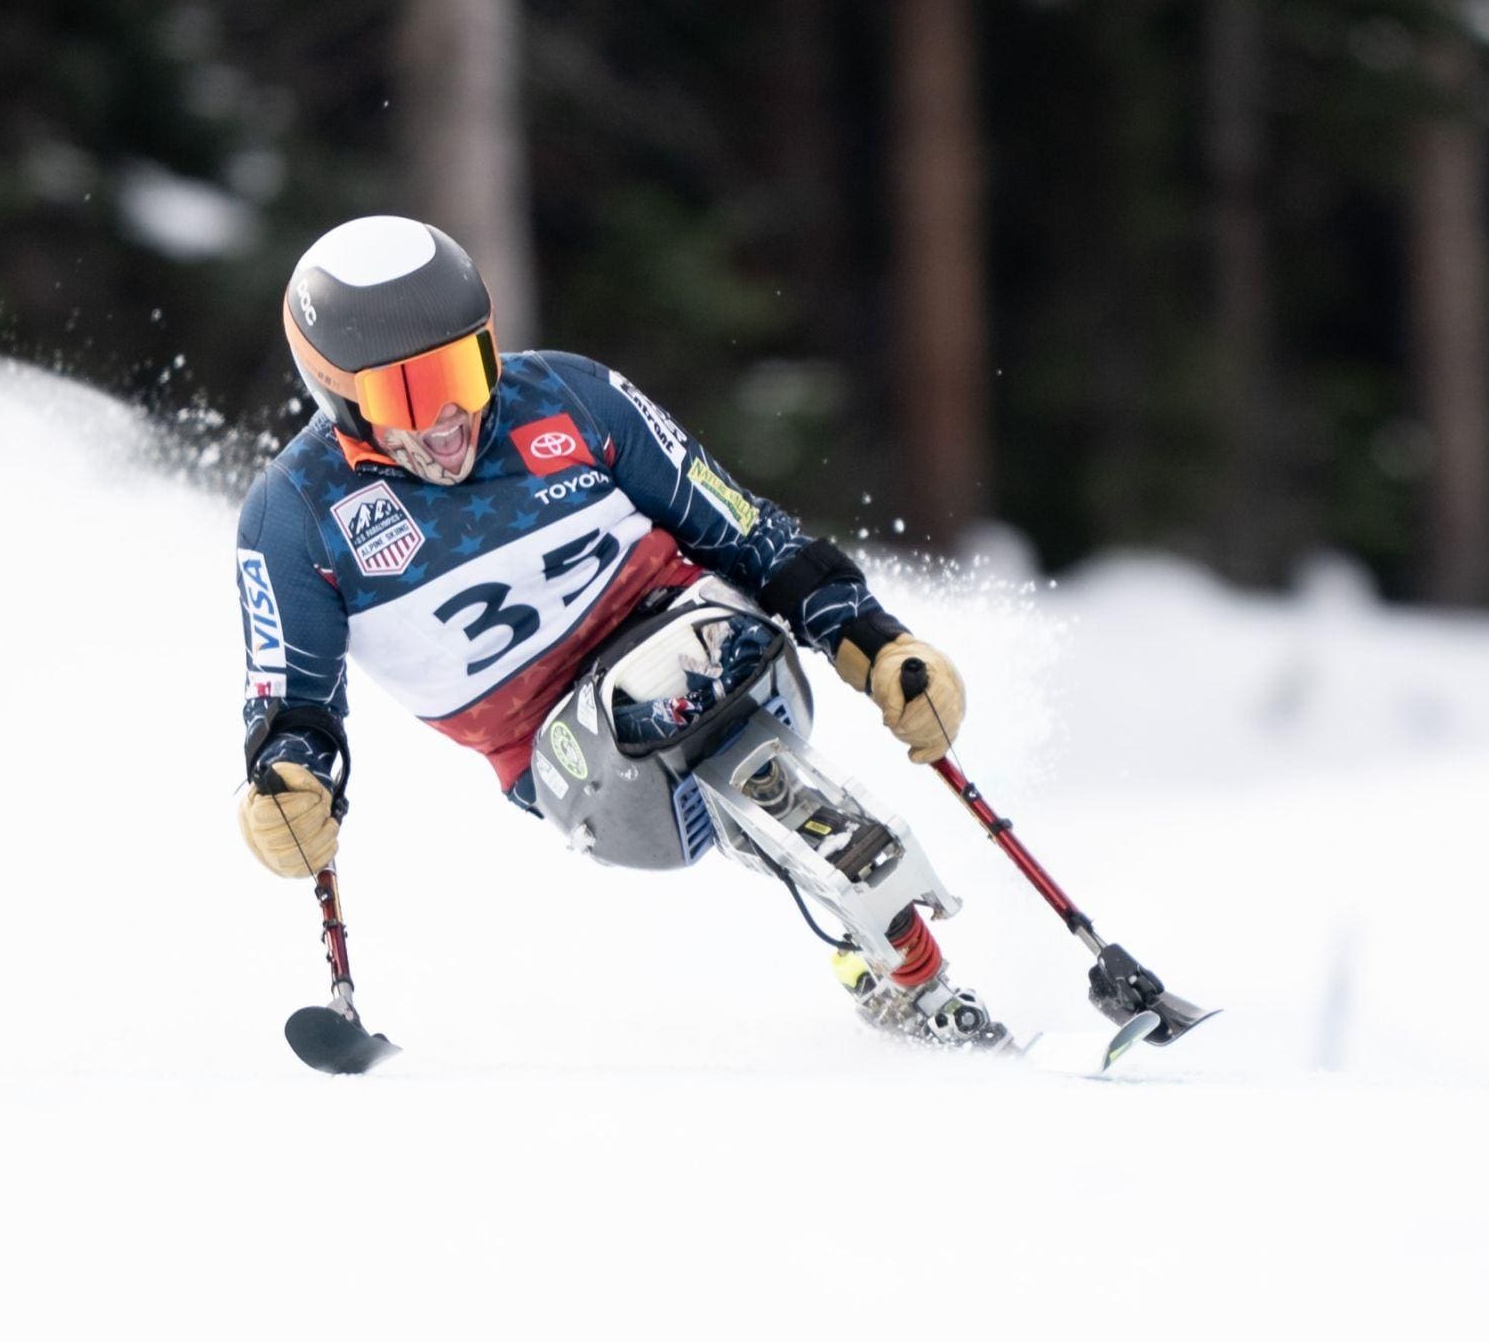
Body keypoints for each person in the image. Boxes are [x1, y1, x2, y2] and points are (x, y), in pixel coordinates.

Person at [233, 214, 991, 1042]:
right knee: (653, 754)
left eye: (466, 366)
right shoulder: (299, 515)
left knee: (695, 688)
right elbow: (292, 700)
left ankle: (889, 952)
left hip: (682, 627)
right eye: (408, 393)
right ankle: (862, 933)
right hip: (549, 739)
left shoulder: (567, 397)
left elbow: (741, 529)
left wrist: (876, 641)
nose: (449, 416)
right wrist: (291, 784)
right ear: (335, 392)